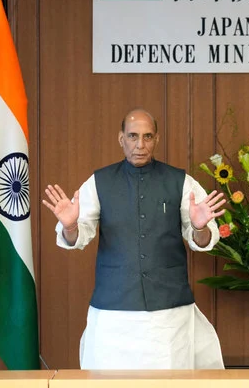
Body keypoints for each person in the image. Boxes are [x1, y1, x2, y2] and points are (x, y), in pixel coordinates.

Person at [42, 108, 227, 370]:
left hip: (169, 313)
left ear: (157, 139)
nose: (140, 144)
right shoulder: (99, 182)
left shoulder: (181, 181)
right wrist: (70, 225)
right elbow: (77, 237)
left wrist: (199, 227)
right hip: (112, 313)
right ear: (121, 139)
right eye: (133, 136)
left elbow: (203, 239)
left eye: (147, 136)